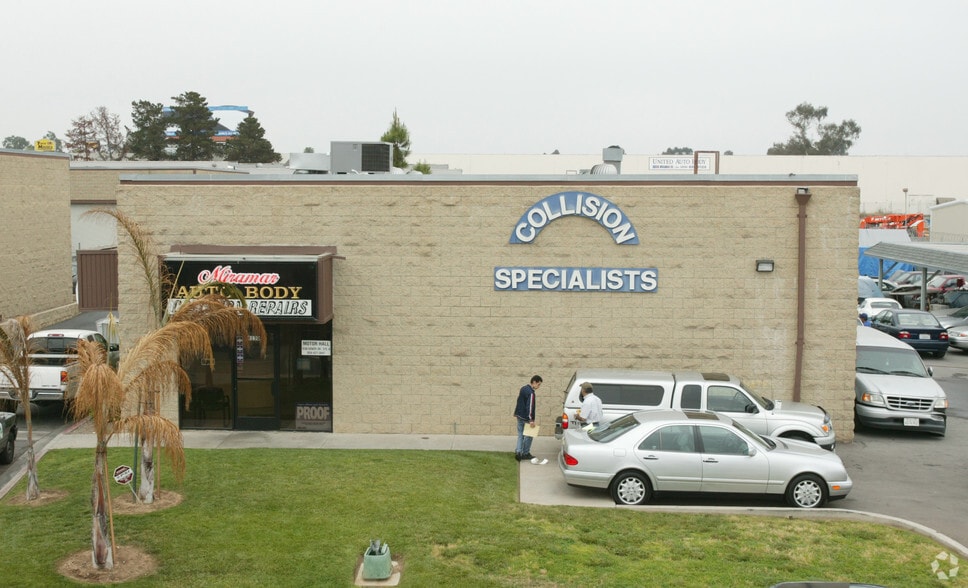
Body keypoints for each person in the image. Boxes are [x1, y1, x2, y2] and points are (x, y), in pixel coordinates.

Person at [513, 375, 542, 461]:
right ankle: (525, 453)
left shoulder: (523, 388)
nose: (539, 387)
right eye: (538, 384)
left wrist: (516, 413)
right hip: (526, 418)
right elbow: (530, 407)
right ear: (534, 382)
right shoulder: (531, 393)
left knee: (520, 435)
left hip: (519, 416)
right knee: (529, 435)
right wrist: (531, 420)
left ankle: (518, 452)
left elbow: (519, 401)